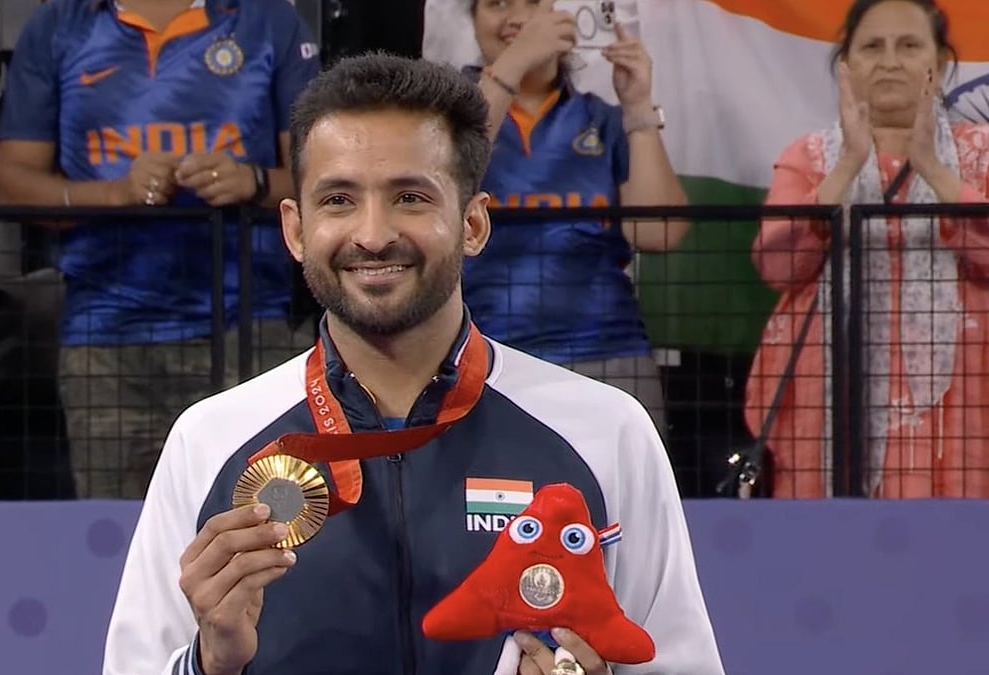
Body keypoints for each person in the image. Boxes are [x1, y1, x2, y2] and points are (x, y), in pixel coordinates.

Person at [101, 53, 724, 675]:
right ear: (295, 230)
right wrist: (208, 665)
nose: (373, 235)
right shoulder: (210, 440)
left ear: (472, 223)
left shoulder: (605, 432)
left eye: (410, 197)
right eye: (338, 200)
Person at [0, 0, 320, 499]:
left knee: (271, 523)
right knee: (117, 534)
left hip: (250, 328)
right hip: (104, 339)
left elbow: (324, 176)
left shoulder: (267, 20)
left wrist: (253, 181)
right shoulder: (60, 26)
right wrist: (115, 193)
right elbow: (12, 184)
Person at [747, 0, 989, 498]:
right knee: (825, 538)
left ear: (940, 62)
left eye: (909, 45)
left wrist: (934, 169)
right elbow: (777, 265)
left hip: (961, 389)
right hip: (831, 383)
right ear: (847, 65)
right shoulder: (810, 156)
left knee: (954, 534)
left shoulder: (980, 152)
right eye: (873, 47)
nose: (890, 61)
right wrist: (849, 165)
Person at [456, 0, 689, 436]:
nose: (516, 17)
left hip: (609, 354)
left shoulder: (601, 118)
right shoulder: (444, 112)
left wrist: (638, 107)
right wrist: (516, 61)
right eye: (497, 4)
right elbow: (442, 166)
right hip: (483, 359)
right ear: (473, 19)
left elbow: (659, 233)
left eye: (532, 3)